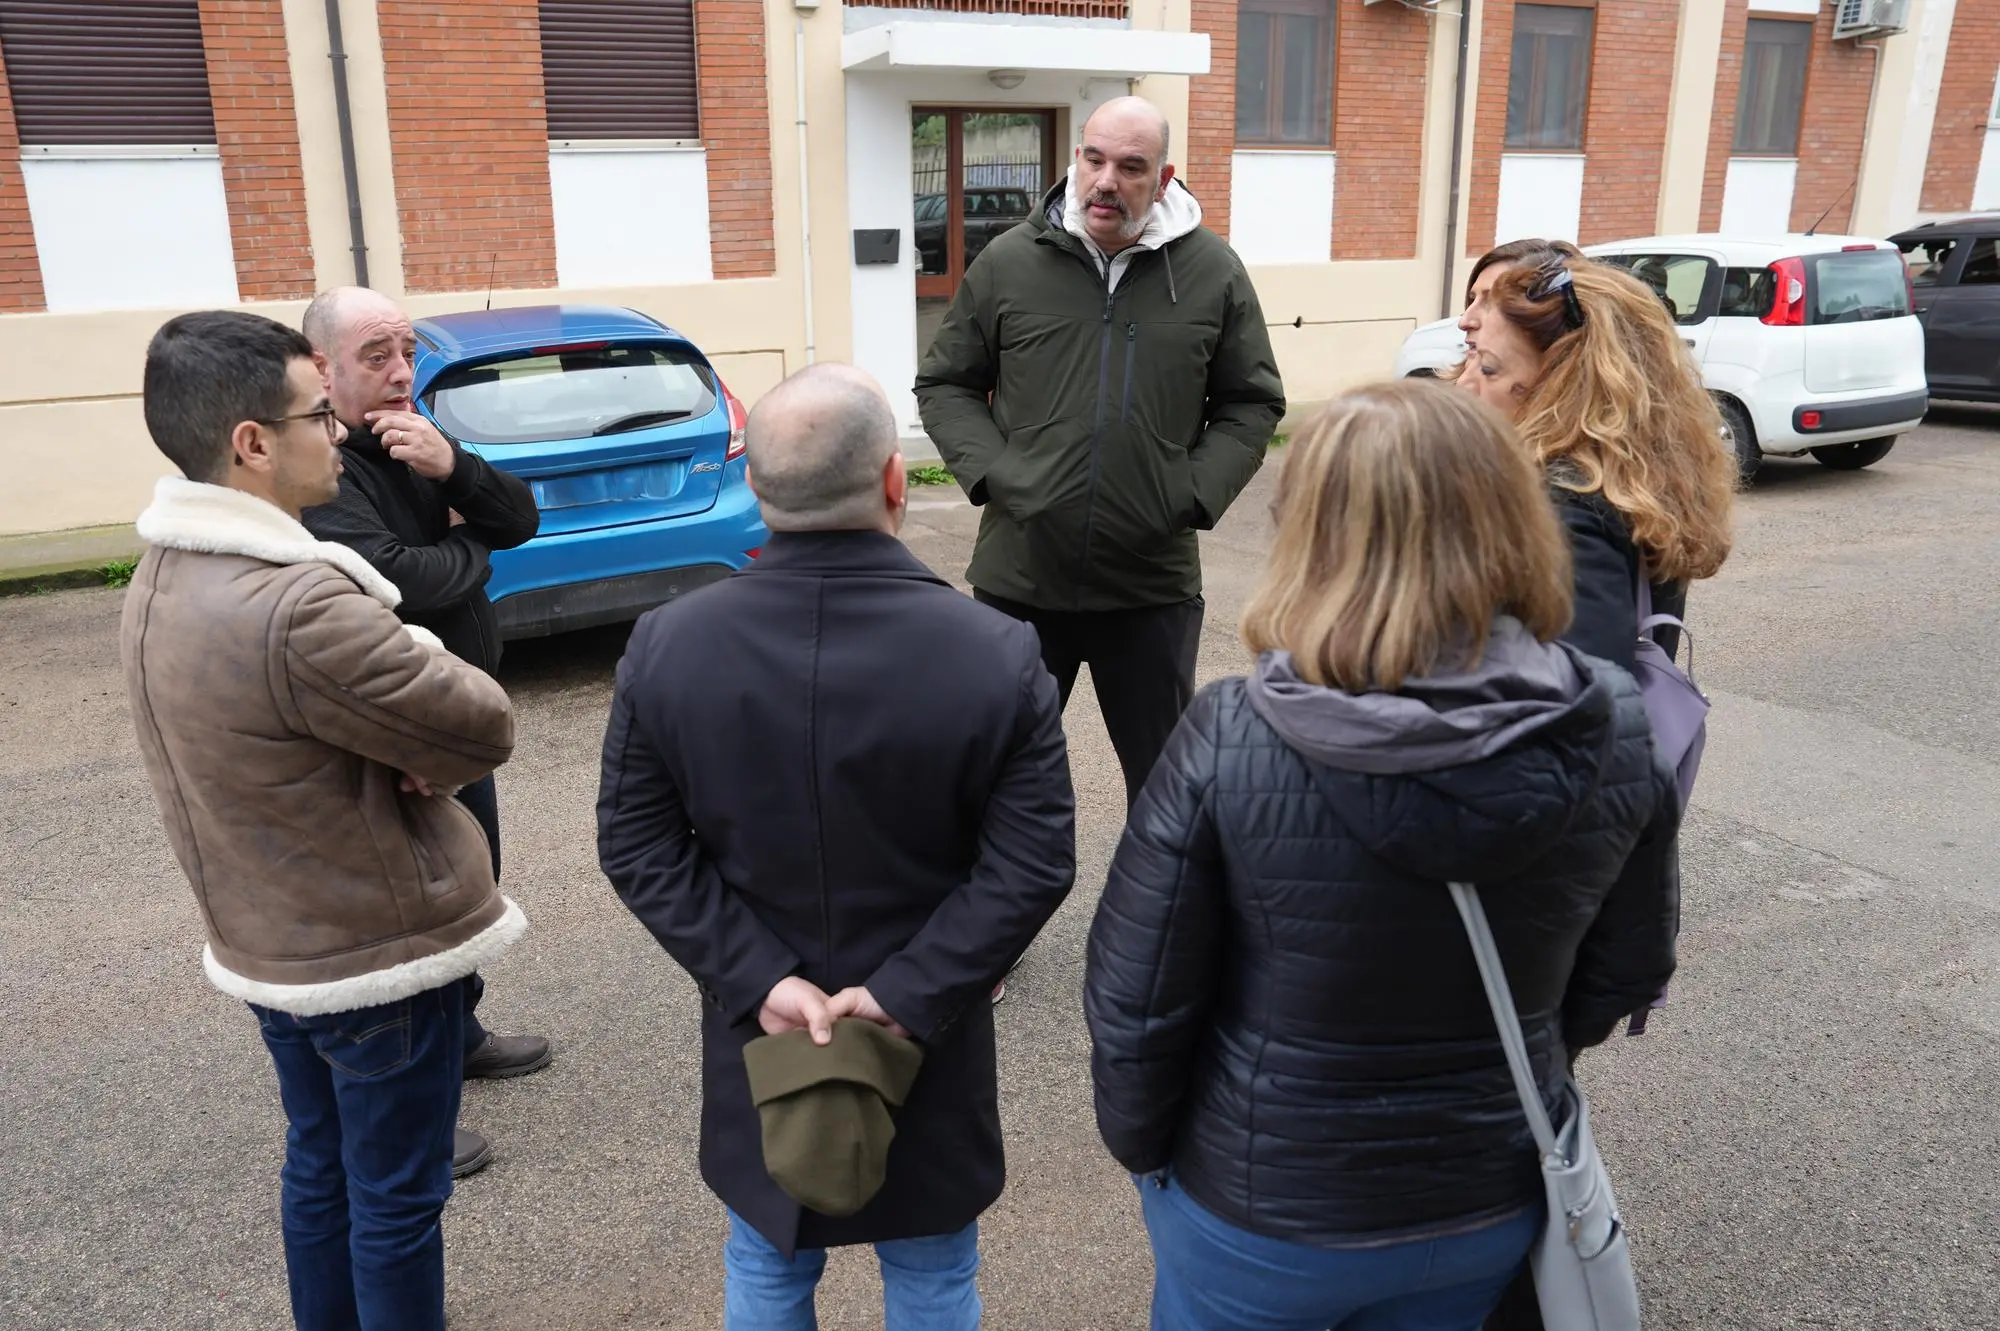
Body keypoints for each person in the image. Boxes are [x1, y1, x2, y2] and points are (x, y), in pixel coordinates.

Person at [1082, 381, 1680, 1331]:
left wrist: (1150, 1154)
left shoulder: (1232, 733)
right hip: (1482, 1197)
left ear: (1312, 533)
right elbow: (1629, 966)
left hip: (1259, 1208)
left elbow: (1138, 1001)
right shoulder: (1612, 718)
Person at [598, 363, 1077, 1330]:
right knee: (934, 1275)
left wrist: (759, 977)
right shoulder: (994, 650)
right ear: (896, 482)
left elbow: (637, 842)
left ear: (756, 490)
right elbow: (1033, 861)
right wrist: (907, 993)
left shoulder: (667, 643)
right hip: (923, 1025)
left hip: (763, 1027)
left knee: (767, 1268)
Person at [120, 311, 523, 1331]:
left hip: (273, 939)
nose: (336, 432)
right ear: (251, 443)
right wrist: (412, 739)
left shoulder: (162, 575)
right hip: (368, 950)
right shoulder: (300, 601)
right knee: (394, 1198)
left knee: (322, 1165)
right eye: (316, 414)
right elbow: (479, 719)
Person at [1452, 246, 1735, 1331]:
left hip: (1533, 878)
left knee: (1506, 1107)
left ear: (1557, 372)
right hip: (1576, 868)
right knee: (1519, 1096)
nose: (1461, 377)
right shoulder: (1602, 478)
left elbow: (1579, 727)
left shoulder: (1561, 504)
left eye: (1482, 360)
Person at [915, 95, 1286, 809]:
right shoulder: (1009, 262)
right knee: (993, 779)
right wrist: (999, 473)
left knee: (1167, 791)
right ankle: (985, 916)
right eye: (1093, 158)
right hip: (1020, 581)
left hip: (1149, 589)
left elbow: (1251, 401)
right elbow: (946, 383)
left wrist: (1190, 493)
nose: (1105, 180)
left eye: (1129, 165)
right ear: (1075, 159)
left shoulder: (1213, 272)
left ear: (1164, 175)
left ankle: (1167, 919)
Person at [299, 287, 551, 1178]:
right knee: (412, 915)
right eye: (376, 354)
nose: (401, 370)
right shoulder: (321, 466)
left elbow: (518, 518)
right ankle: (411, 1110)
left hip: (454, 722)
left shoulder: (413, 435)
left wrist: (455, 475)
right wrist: (469, 551)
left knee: (469, 884)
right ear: (323, 369)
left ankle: (462, 1033)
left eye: (406, 349)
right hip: (391, 736)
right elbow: (404, 582)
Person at [1452, 254, 1735, 675]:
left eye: (1490, 368)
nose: (1464, 382)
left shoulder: (1568, 509)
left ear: (1564, 384)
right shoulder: (1627, 474)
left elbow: (1574, 700)